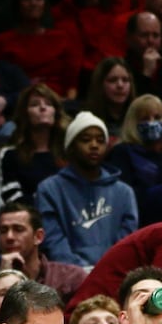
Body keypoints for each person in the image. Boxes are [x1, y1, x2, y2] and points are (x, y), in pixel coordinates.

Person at [36, 112, 138, 267]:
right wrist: (79, 272)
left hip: (113, 272)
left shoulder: (124, 192)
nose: (94, 145)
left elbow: (127, 241)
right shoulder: (49, 190)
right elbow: (54, 241)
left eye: (100, 140)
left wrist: (106, 269)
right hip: (68, 276)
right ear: (70, 147)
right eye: (85, 140)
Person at [0, 203, 88, 301]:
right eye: (3, 231)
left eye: (18, 229)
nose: (9, 237)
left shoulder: (71, 277)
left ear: (38, 237)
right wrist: (4, 279)